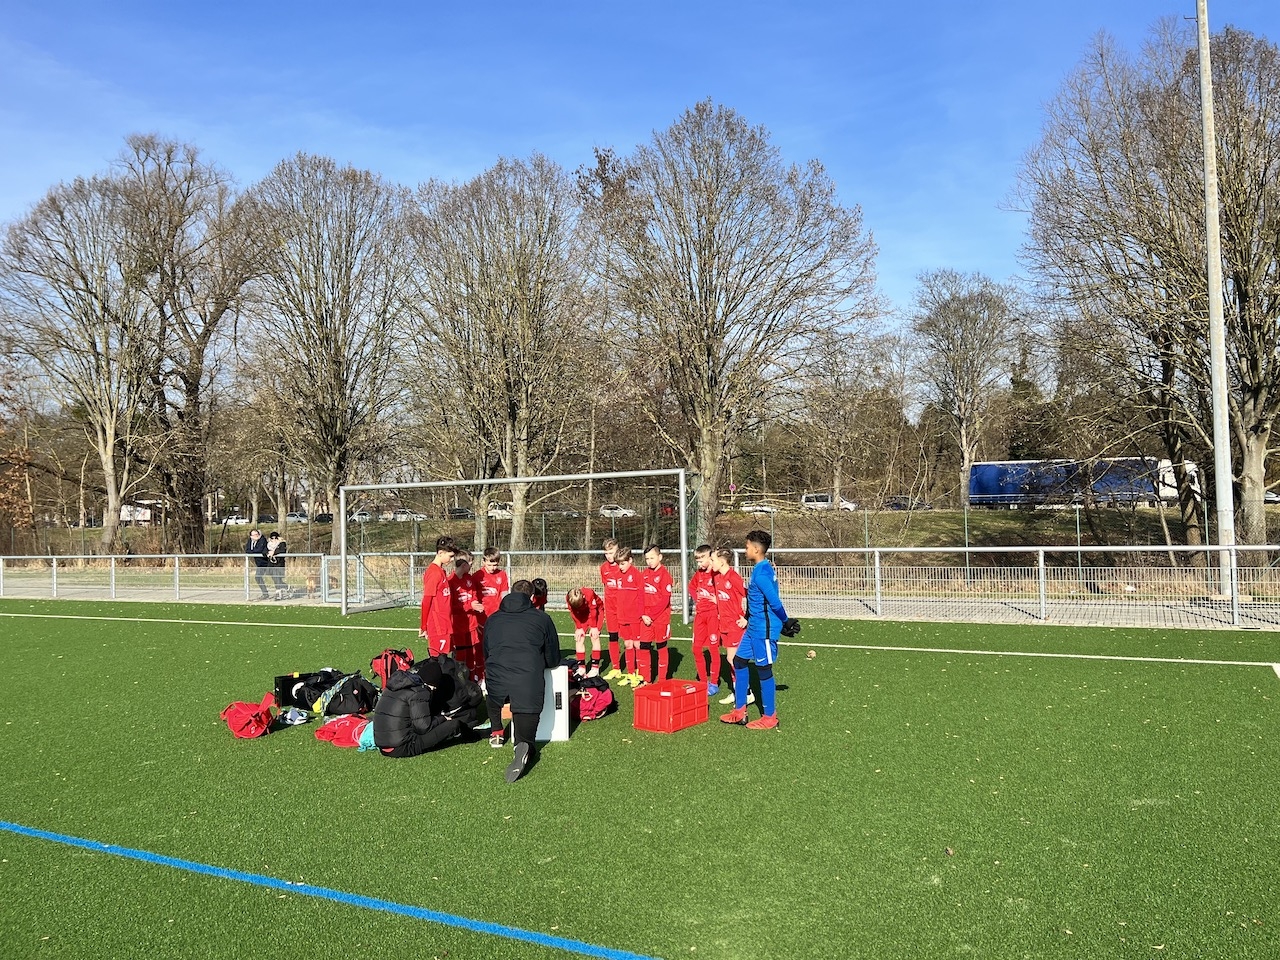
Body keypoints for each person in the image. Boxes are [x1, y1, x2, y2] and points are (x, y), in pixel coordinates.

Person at [483, 579, 561, 782]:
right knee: (526, 725)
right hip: (527, 682)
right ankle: (522, 745)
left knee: (495, 691)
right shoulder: (542, 618)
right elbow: (553, 657)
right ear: (532, 597)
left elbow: (486, 651)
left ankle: (496, 731)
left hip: (496, 680)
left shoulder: (493, 619)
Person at [721, 530, 786, 729]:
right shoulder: (761, 568)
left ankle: (770, 717)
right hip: (753, 628)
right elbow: (756, 599)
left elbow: (774, 601)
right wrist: (748, 617)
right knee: (739, 661)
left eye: (747, 546)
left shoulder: (762, 573)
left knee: (764, 670)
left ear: (756, 550)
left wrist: (786, 621)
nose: (745, 550)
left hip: (763, 631)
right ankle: (740, 712)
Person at [372, 659, 465, 758]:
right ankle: (472, 735)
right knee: (453, 725)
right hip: (402, 747)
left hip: (383, 746)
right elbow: (423, 727)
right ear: (432, 684)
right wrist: (443, 719)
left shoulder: (394, 686)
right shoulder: (420, 691)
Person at [712, 547, 753, 707]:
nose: (711, 563)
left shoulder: (733, 577)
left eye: (713, 560)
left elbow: (750, 595)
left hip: (735, 625)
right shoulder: (717, 577)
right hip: (724, 625)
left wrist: (747, 618)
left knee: (733, 659)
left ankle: (747, 693)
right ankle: (738, 691)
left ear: (722, 562)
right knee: (731, 660)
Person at [449, 550, 486, 683]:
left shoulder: (469, 579)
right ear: (464, 564)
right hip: (458, 626)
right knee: (460, 655)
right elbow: (450, 607)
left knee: (472, 654)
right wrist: (470, 606)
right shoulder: (450, 581)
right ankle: (459, 683)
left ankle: (472, 683)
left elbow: (473, 597)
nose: (472, 566)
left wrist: (475, 604)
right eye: (470, 563)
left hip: (471, 624)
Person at [689, 544, 721, 694]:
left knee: (713, 649)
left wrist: (718, 601)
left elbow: (726, 592)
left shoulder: (716, 574)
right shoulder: (699, 574)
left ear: (710, 557)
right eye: (697, 561)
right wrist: (697, 599)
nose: (699, 564)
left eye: (701, 561)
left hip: (713, 615)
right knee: (696, 649)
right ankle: (703, 682)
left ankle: (714, 682)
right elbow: (691, 587)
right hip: (700, 615)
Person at [640, 544, 673, 683]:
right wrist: (643, 614)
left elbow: (665, 600)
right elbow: (640, 596)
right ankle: (646, 680)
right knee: (644, 646)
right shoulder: (644, 574)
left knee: (661, 647)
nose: (649, 561)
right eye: (647, 559)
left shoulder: (665, 575)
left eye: (652, 558)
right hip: (645, 618)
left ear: (660, 557)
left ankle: (662, 680)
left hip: (660, 618)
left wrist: (651, 616)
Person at [420, 536, 457, 656]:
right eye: (450, 556)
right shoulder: (434, 573)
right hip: (438, 625)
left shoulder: (441, 571)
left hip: (445, 623)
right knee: (438, 660)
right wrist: (424, 626)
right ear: (441, 553)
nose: (452, 559)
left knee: (445, 659)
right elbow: (427, 600)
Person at [613, 546, 644, 686]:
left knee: (637, 644)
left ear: (630, 560)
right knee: (627, 644)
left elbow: (641, 596)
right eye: (619, 564)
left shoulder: (637, 575)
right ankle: (631, 673)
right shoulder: (618, 575)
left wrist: (640, 613)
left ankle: (640, 673)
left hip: (634, 617)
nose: (621, 566)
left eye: (623, 563)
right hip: (622, 616)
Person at [598, 539, 624, 679]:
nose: (609, 556)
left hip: (624, 609)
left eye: (611, 552)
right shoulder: (603, 568)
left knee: (630, 639)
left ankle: (634, 670)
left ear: (618, 551)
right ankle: (616, 668)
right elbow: (606, 586)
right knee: (613, 637)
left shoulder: (623, 567)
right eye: (606, 553)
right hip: (611, 609)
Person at [566, 586, 604, 677]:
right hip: (582, 614)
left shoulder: (589, 593)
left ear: (583, 597)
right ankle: (581, 668)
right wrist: (579, 627)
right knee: (579, 638)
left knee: (594, 637)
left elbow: (594, 611)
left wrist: (594, 627)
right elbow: (573, 613)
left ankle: (595, 669)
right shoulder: (569, 598)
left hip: (595, 612)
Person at [476, 546, 510, 622]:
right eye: (489, 565)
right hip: (482, 613)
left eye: (495, 565)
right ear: (483, 562)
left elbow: (504, 592)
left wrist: (506, 607)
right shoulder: (477, 576)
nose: (492, 568)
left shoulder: (502, 574)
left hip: (497, 612)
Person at [245, 528, 270, 600]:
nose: (256, 536)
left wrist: (252, 551)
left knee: (276, 579)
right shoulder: (250, 541)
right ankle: (265, 594)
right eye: (254, 535)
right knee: (258, 577)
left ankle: (287, 588)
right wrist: (253, 551)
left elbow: (259, 550)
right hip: (260, 563)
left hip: (267, 562)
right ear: (251, 536)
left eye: (257, 534)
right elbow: (247, 550)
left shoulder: (262, 540)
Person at [265, 531, 289, 600]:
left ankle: (278, 593)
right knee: (275, 579)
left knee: (277, 578)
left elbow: (282, 550)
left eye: (275, 538)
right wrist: (268, 553)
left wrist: (274, 552)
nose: (274, 539)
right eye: (272, 538)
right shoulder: (268, 544)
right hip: (271, 564)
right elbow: (264, 551)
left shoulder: (282, 543)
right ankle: (287, 587)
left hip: (279, 564)